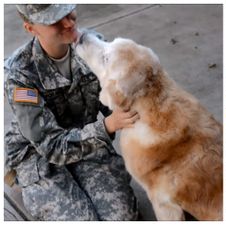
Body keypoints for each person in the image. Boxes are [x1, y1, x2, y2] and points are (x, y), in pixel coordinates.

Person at [4, 4, 140, 220]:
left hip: (87, 143)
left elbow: (116, 102)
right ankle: (26, 181)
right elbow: (51, 146)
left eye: (67, 12)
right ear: (31, 29)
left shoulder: (92, 46)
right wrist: (107, 126)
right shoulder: (19, 74)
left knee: (121, 218)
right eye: (54, 20)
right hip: (40, 155)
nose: (69, 23)